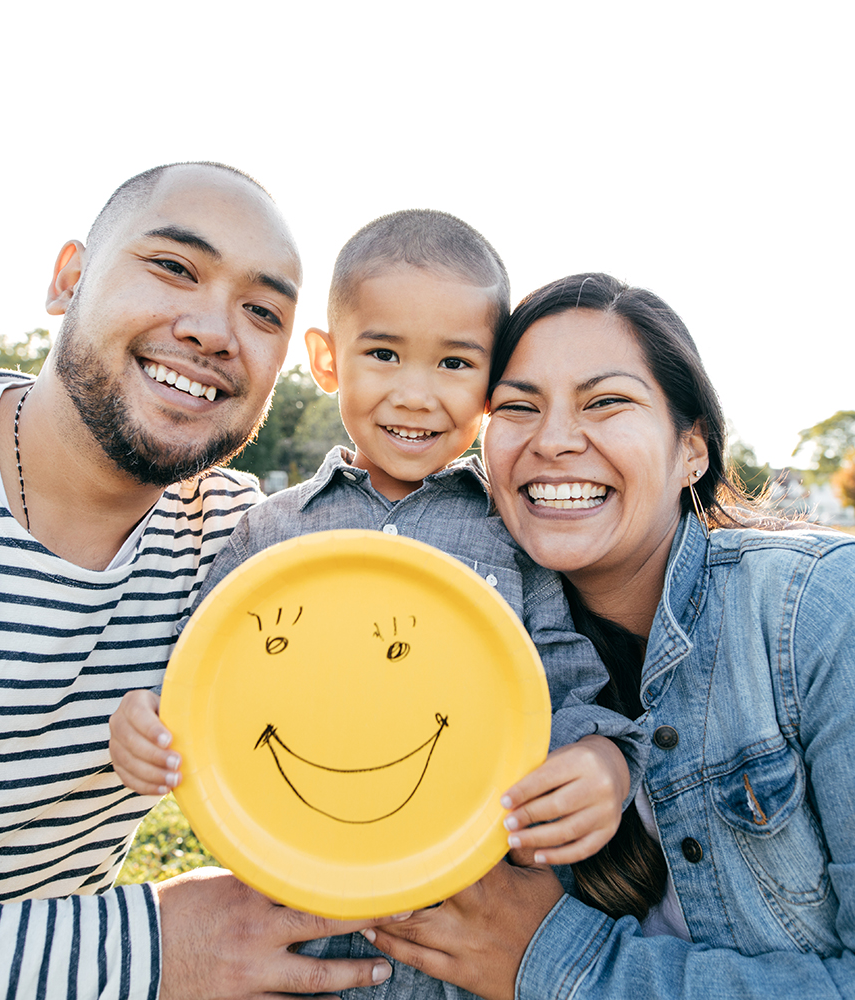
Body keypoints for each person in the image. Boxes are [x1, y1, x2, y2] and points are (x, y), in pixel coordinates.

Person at [0, 162, 396, 1000]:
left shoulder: (247, 547)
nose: (216, 331)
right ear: (68, 279)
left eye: (263, 312)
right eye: (175, 266)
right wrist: (148, 951)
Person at [356, 273, 855, 1000]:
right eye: (518, 407)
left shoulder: (817, 611)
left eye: (607, 402)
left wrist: (557, 963)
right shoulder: (451, 635)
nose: (555, 440)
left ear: (692, 451)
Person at [111, 218, 648, 887]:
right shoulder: (266, 533)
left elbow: (568, 688)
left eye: (454, 363)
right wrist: (147, 722)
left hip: (465, 911)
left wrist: (603, 760)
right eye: (384, 355)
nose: (415, 395)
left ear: (492, 384)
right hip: (296, 890)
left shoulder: (513, 538)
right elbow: (202, 680)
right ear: (328, 360)